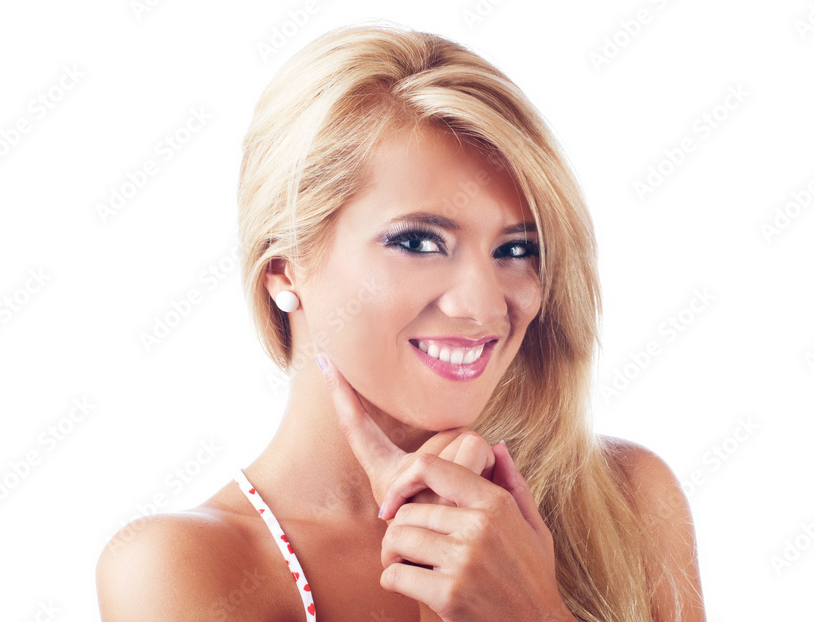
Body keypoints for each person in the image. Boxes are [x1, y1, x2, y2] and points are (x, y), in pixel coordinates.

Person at [96, 21, 705, 621]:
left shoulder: (626, 501)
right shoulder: (181, 567)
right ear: (284, 267)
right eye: (417, 242)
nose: (483, 305)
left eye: (517, 249)